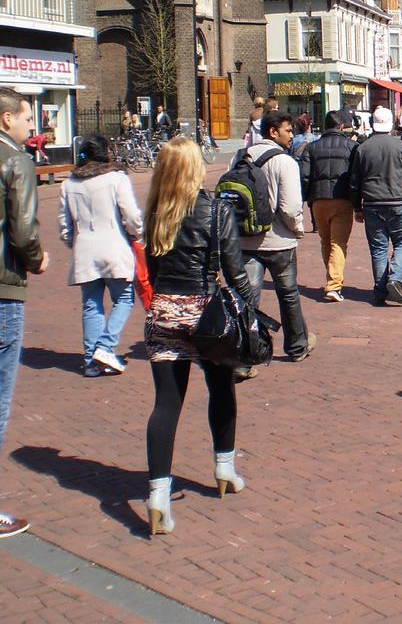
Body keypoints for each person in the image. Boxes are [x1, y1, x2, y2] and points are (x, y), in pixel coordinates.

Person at [142, 137, 257, 536]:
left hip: (165, 312)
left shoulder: (155, 211)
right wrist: (251, 312)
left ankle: (158, 494)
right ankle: (224, 469)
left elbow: (153, 272)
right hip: (206, 315)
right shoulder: (216, 210)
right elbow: (234, 269)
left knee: (166, 405)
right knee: (221, 389)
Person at [0, 88, 48, 539]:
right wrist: (36, 258)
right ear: (5, 120)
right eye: (25, 118)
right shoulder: (16, 161)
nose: (31, 125)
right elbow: (21, 229)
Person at [58, 135, 143, 377]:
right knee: (124, 299)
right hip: (114, 248)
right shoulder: (116, 179)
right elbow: (131, 215)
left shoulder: (68, 184)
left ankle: (90, 360)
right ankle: (105, 346)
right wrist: (137, 234)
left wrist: (72, 242)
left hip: (85, 249)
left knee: (91, 305)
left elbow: (64, 225)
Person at [236, 110, 315, 363]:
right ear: (273, 132)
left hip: (245, 239)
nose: (292, 135)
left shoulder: (241, 157)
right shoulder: (285, 162)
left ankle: (245, 352)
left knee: (247, 298)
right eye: (288, 130)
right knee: (288, 294)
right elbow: (291, 207)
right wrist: (298, 228)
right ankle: (296, 346)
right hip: (279, 241)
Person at [350, 107, 402, 306]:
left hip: (372, 203)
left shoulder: (362, 148)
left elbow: (355, 181)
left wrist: (357, 207)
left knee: (378, 248)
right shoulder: (401, 146)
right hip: (398, 202)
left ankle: (380, 290)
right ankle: (396, 279)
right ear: (390, 125)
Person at [299, 110, 358, 303]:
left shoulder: (311, 148)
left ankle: (333, 278)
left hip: (319, 199)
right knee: (338, 243)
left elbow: (305, 176)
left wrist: (307, 198)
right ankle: (334, 285)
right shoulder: (352, 147)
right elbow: (356, 177)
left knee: (325, 241)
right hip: (342, 199)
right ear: (341, 127)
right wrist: (357, 200)